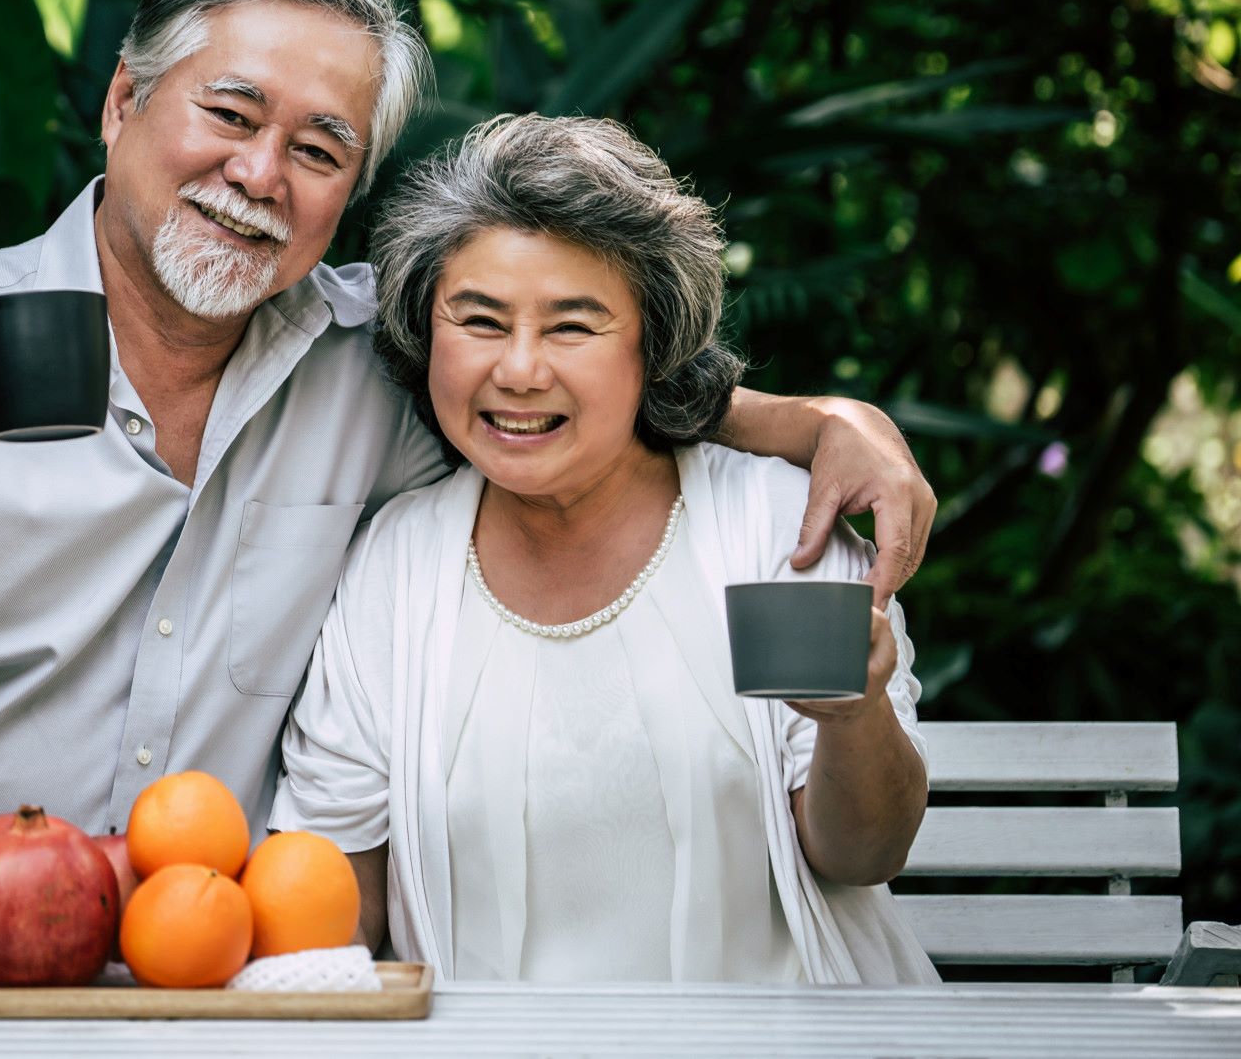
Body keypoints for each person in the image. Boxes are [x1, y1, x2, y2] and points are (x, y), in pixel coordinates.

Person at [0, 0, 937, 978]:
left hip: (206, 1007)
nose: (259, 173)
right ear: (122, 103)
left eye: (319, 149)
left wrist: (825, 426)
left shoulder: (382, 354)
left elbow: (572, 382)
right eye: (231, 113)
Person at [272, 113, 938, 984]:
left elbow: (864, 854)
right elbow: (334, 885)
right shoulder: (395, 565)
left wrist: (854, 715)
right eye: (479, 319)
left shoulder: (776, 525)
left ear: (651, 346)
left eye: (572, 327)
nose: (518, 370)